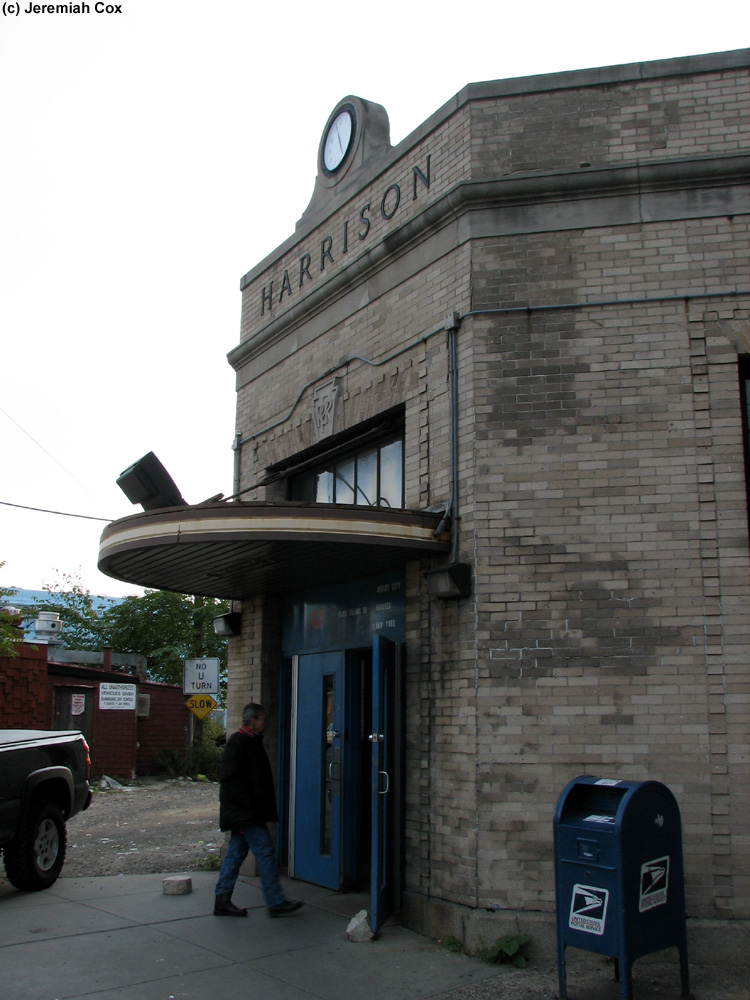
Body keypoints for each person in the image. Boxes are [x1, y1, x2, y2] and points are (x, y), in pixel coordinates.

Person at [213, 702, 303, 918]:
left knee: (236, 853)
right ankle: (275, 901)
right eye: (263, 719)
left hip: (245, 812)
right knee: (264, 851)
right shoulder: (239, 742)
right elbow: (228, 777)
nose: (266, 722)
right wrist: (249, 804)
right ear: (252, 721)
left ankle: (222, 900)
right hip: (246, 813)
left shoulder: (251, 741)